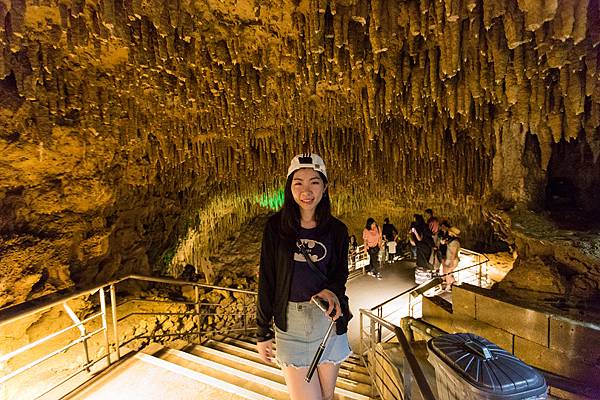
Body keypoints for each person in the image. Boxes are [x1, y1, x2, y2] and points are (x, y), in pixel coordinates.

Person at [256, 153, 352, 400]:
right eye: (298, 182)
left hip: (327, 323)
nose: (306, 190)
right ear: (290, 187)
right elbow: (267, 279)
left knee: (327, 396)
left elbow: (340, 272)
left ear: (325, 187)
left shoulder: (337, 230)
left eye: (314, 182)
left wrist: (331, 290)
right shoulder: (276, 228)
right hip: (291, 326)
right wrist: (262, 331)